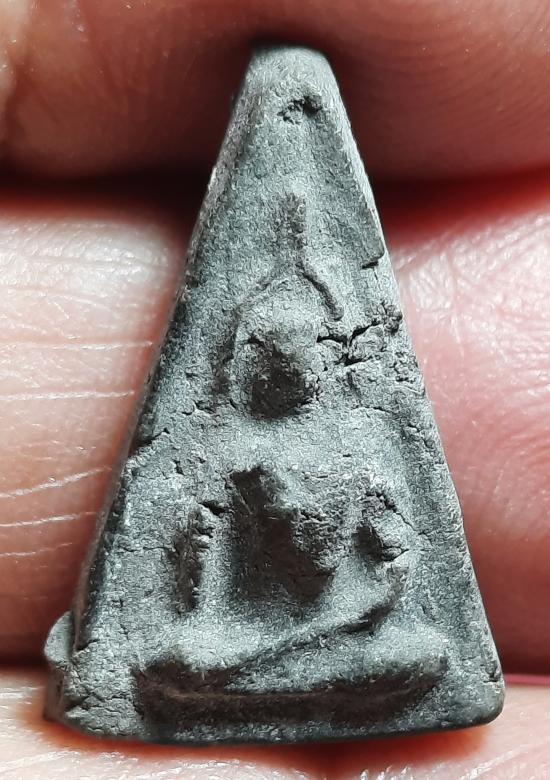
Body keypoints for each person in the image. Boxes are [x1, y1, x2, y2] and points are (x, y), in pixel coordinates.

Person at [0, 1, 548, 776]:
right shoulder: (229, 461)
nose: (288, 370)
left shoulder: (363, 460)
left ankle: (265, 690)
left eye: (304, 356)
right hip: (241, 650)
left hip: (336, 648)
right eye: (270, 356)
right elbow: (196, 617)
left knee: (421, 656)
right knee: (175, 660)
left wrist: (344, 613)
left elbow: (391, 581)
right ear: (246, 363)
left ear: (328, 363)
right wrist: (212, 602)